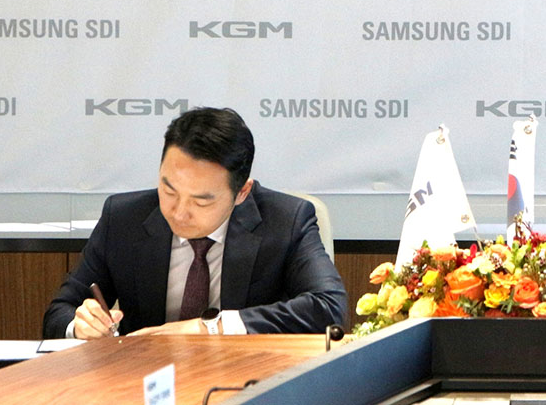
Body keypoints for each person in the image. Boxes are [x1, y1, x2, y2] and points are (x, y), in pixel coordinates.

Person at [43, 107, 347, 338]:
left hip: (246, 381)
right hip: (145, 382)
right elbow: (59, 313)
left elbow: (329, 307)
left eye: (201, 201)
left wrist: (211, 327)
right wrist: (80, 325)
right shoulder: (123, 218)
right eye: (169, 190)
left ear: (242, 193)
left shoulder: (286, 220)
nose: (179, 212)